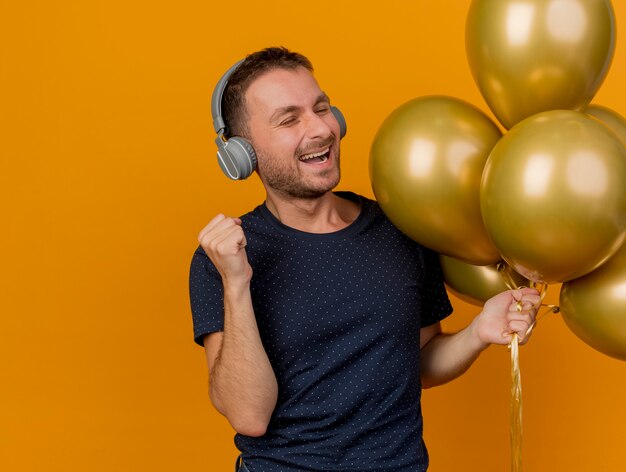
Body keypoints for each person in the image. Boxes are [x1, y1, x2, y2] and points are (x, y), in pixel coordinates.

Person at [189, 47, 539, 472]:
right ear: (242, 154)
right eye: (289, 119)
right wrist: (237, 283)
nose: (320, 128)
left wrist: (479, 332)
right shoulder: (223, 259)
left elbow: (420, 363)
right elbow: (249, 415)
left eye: (322, 108)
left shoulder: (399, 228)